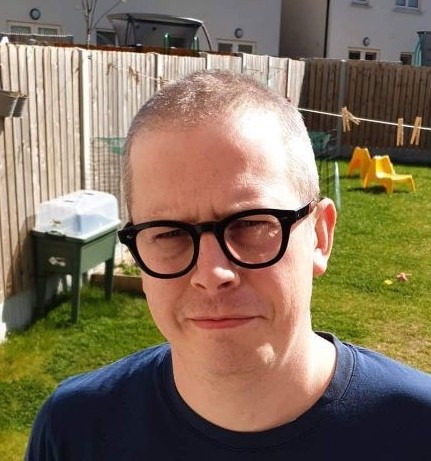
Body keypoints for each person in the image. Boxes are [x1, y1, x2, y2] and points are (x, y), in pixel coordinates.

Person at [25, 69, 431, 460]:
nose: (211, 274)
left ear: (320, 237)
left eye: (251, 223)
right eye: (169, 233)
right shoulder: (72, 432)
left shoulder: (417, 430)